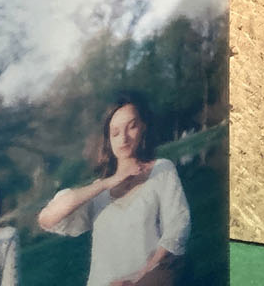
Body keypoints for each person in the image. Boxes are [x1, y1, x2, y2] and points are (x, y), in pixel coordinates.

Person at [37, 93, 190, 286]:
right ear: (108, 139)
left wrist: (141, 277)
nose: (124, 138)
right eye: (115, 132)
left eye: (131, 126)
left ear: (143, 127)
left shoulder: (161, 169)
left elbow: (177, 228)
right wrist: (106, 183)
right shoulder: (98, 192)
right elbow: (47, 219)